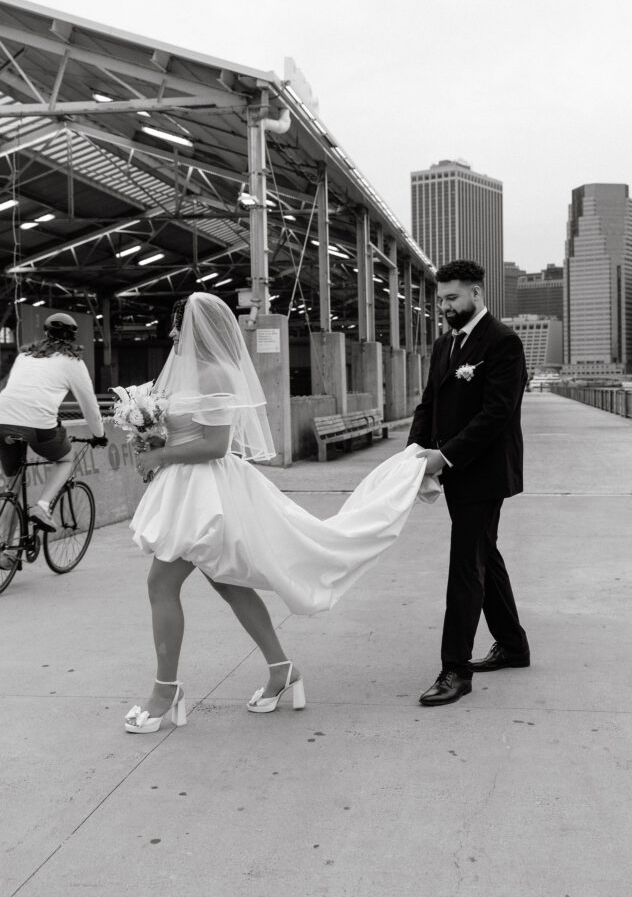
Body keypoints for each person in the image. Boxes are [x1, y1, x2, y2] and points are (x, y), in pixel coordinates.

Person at [125, 292, 439, 734]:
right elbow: (184, 431)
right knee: (229, 583)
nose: (173, 333)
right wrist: (151, 440)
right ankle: (281, 669)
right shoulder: (187, 376)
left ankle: (166, 690)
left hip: (207, 493)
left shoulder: (214, 373)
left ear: (196, 328)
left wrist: (161, 456)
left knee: (161, 583)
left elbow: (216, 444)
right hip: (190, 490)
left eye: (179, 325)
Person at [408, 259, 530, 707]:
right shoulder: (445, 345)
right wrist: (414, 452)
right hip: (454, 469)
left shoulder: (502, 342)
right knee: (484, 556)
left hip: (485, 472)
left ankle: (455, 670)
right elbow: (429, 403)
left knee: (466, 567)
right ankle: (513, 646)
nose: (444, 306)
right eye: (440, 299)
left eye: (452, 298)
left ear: (477, 294)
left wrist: (445, 455)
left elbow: (496, 415)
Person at [0, 312, 108, 565]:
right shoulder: (72, 362)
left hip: (1, 421)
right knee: (65, 460)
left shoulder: (25, 355)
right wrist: (99, 435)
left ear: (45, 334)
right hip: (38, 424)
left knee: (12, 485)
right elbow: (89, 405)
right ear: (73, 338)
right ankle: (43, 506)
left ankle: (8, 551)